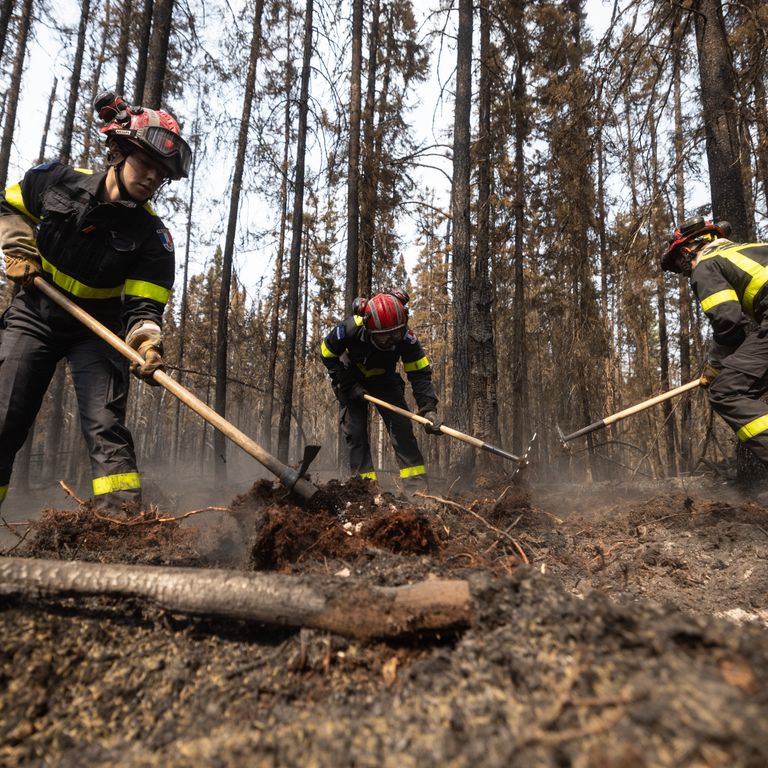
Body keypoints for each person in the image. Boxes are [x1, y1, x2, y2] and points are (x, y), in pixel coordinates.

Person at [0, 91, 191, 510]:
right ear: (118, 152)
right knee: (4, 416)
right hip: (35, 312)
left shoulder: (153, 239)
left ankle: (120, 522)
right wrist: (17, 245)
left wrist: (146, 344)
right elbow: (9, 205)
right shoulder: (55, 180)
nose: (152, 179)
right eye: (146, 165)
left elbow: (143, 308)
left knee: (105, 425)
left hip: (98, 331)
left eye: (162, 175)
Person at [661, 216, 768, 468]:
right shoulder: (752, 249)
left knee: (726, 392)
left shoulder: (706, 264)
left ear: (688, 250)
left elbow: (729, 324)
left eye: (679, 263)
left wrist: (716, 365)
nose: (684, 271)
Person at [320, 290, 441, 493]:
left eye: (396, 334)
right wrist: (349, 386)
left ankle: (417, 489)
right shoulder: (349, 329)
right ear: (369, 329)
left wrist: (428, 407)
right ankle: (365, 489)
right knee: (356, 434)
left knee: (402, 428)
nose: (392, 341)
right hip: (351, 379)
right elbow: (327, 353)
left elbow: (419, 373)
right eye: (385, 337)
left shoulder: (406, 338)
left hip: (384, 379)